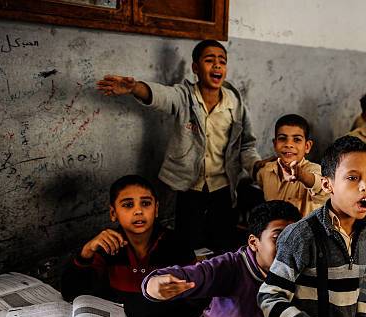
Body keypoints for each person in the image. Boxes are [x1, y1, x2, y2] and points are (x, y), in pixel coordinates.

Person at [96, 40, 262, 253]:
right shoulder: (184, 96)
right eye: (209, 60)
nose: (217, 66)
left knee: (223, 243)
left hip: (223, 186)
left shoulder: (235, 104)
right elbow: (162, 96)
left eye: (222, 61)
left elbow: (247, 144)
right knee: (187, 244)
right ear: (195, 68)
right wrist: (134, 87)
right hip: (189, 187)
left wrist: (256, 166)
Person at [258, 136, 366, 317]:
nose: (364, 187)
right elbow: (269, 296)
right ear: (327, 184)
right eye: (352, 178)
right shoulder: (302, 235)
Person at [142, 201, 301, 317]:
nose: (288, 248)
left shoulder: (300, 276)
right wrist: (152, 284)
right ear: (254, 243)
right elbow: (192, 274)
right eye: (278, 238)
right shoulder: (231, 266)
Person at [61, 175, 196, 317]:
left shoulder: (177, 245)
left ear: (157, 209)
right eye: (128, 205)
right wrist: (86, 252)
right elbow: (71, 294)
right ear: (113, 213)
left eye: (146, 203)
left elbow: (194, 299)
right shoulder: (106, 248)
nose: (138, 211)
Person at [256, 114, 328, 216]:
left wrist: (301, 175)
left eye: (297, 139)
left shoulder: (315, 170)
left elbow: (323, 188)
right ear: (275, 144)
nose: (288, 144)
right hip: (276, 231)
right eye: (282, 138)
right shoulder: (266, 171)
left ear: (307, 146)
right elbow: (256, 176)